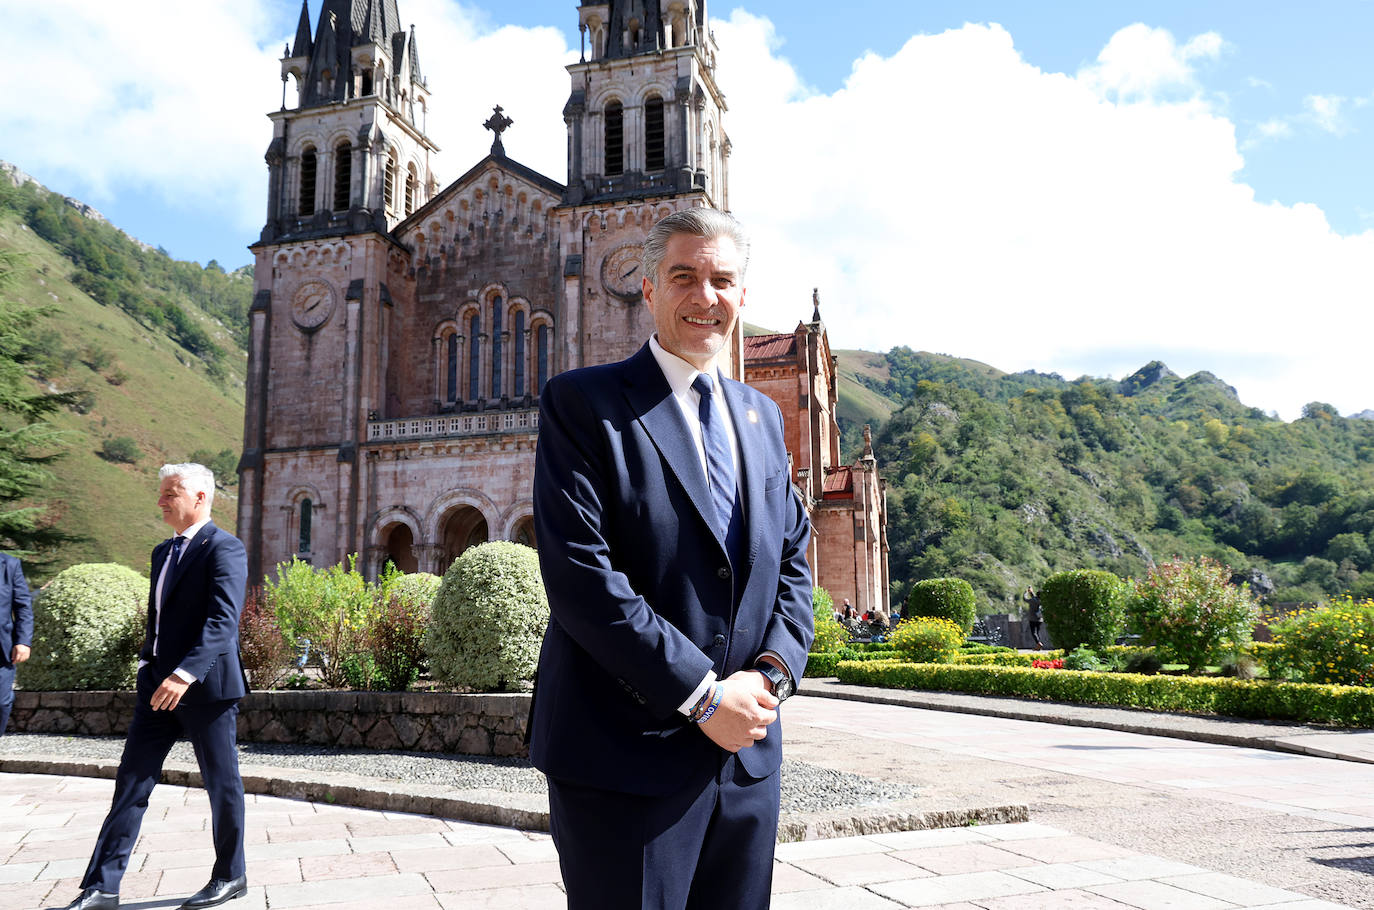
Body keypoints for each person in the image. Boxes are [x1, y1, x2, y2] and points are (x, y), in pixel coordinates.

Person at [529, 208, 814, 909]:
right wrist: (703, 694)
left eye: (722, 279)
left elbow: (794, 562)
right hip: (621, 758)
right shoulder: (583, 404)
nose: (705, 296)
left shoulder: (763, 417)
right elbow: (580, 578)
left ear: (742, 296)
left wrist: (771, 679)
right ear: (650, 288)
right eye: (684, 276)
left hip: (745, 760)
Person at [60, 464, 249, 910]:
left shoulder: (225, 548)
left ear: (200, 497)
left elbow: (223, 622)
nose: (161, 501)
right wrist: (149, 664)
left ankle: (230, 875)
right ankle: (101, 888)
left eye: (170, 493)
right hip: (156, 687)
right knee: (131, 783)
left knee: (222, 784)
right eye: (161, 493)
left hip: (205, 689)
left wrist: (184, 674)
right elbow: (159, 619)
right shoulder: (162, 552)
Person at [0, 551, 33, 736]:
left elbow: (23, 606)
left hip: (2, 649)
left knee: (2, 702)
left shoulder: (10, 565)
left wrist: (23, 641)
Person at [1024, 585, 1045, 650]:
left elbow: (1025, 599)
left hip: (1032, 619)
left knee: (1033, 632)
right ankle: (1038, 645)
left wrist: (1026, 593)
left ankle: (1038, 643)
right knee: (1038, 633)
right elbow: (1034, 598)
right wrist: (1031, 592)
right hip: (1040, 619)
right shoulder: (1041, 601)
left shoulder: (1032, 600)